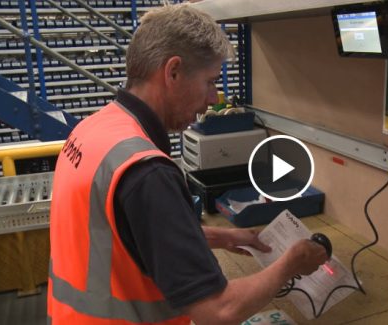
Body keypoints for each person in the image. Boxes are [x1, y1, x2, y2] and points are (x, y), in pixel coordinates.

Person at [47, 4, 327, 325]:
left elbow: (125, 234)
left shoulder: (94, 129)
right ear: (173, 72)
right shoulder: (147, 172)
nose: (214, 98)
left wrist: (222, 237)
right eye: (210, 81)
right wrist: (293, 261)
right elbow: (217, 311)